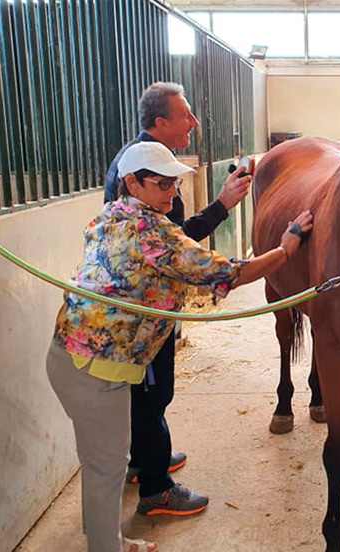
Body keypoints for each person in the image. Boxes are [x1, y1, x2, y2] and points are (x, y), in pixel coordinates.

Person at [47, 141, 313, 552]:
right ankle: (108, 547)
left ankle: (109, 540)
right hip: (96, 369)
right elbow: (226, 273)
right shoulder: (154, 234)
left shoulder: (112, 213)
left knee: (104, 465)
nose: (173, 194)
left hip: (72, 358)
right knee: (107, 469)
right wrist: (287, 246)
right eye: (163, 184)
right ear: (132, 183)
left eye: (174, 183)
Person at [104, 82, 251, 516]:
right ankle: (156, 489)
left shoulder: (143, 163)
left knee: (148, 394)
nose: (195, 123)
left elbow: (170, 241)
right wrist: (224, 206)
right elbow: (174, 247)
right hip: (142, 314)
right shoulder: (141, 171)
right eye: (185, 115)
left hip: (145, 305)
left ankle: (144, 460)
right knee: (152, 393)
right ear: (160, 122)